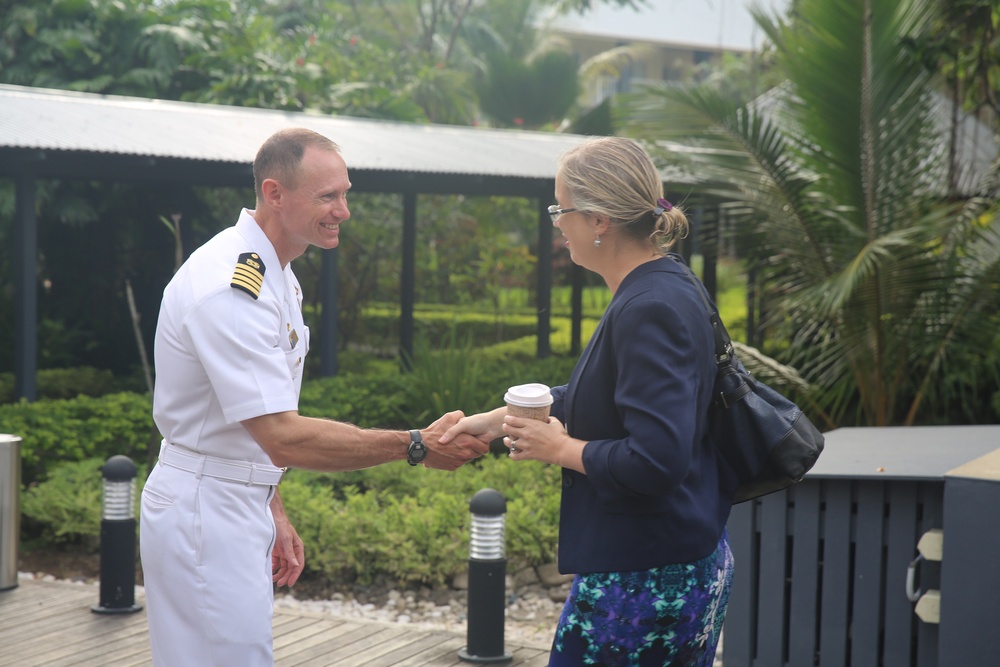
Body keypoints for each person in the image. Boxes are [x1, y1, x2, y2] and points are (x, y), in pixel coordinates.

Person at [140, 127, 487, 667]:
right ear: (275, 193)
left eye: (345, 193)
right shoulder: (232, 286)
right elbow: (281, 434)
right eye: (328, 196)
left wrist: (270, 502)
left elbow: (248, 427)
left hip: (230, 497)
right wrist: (415, 445)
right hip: (206, 511)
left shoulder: (276, 272)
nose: (344, 211)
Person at [441, 136, 737, 666]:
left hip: (645, 577)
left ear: (599, 220)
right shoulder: (667, 283)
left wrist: (560, 448)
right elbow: (624, 399)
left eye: (561, 209)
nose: (556, 223)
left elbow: (656, 459)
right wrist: (499, 419)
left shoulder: (649, 307)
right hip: (675, 555)